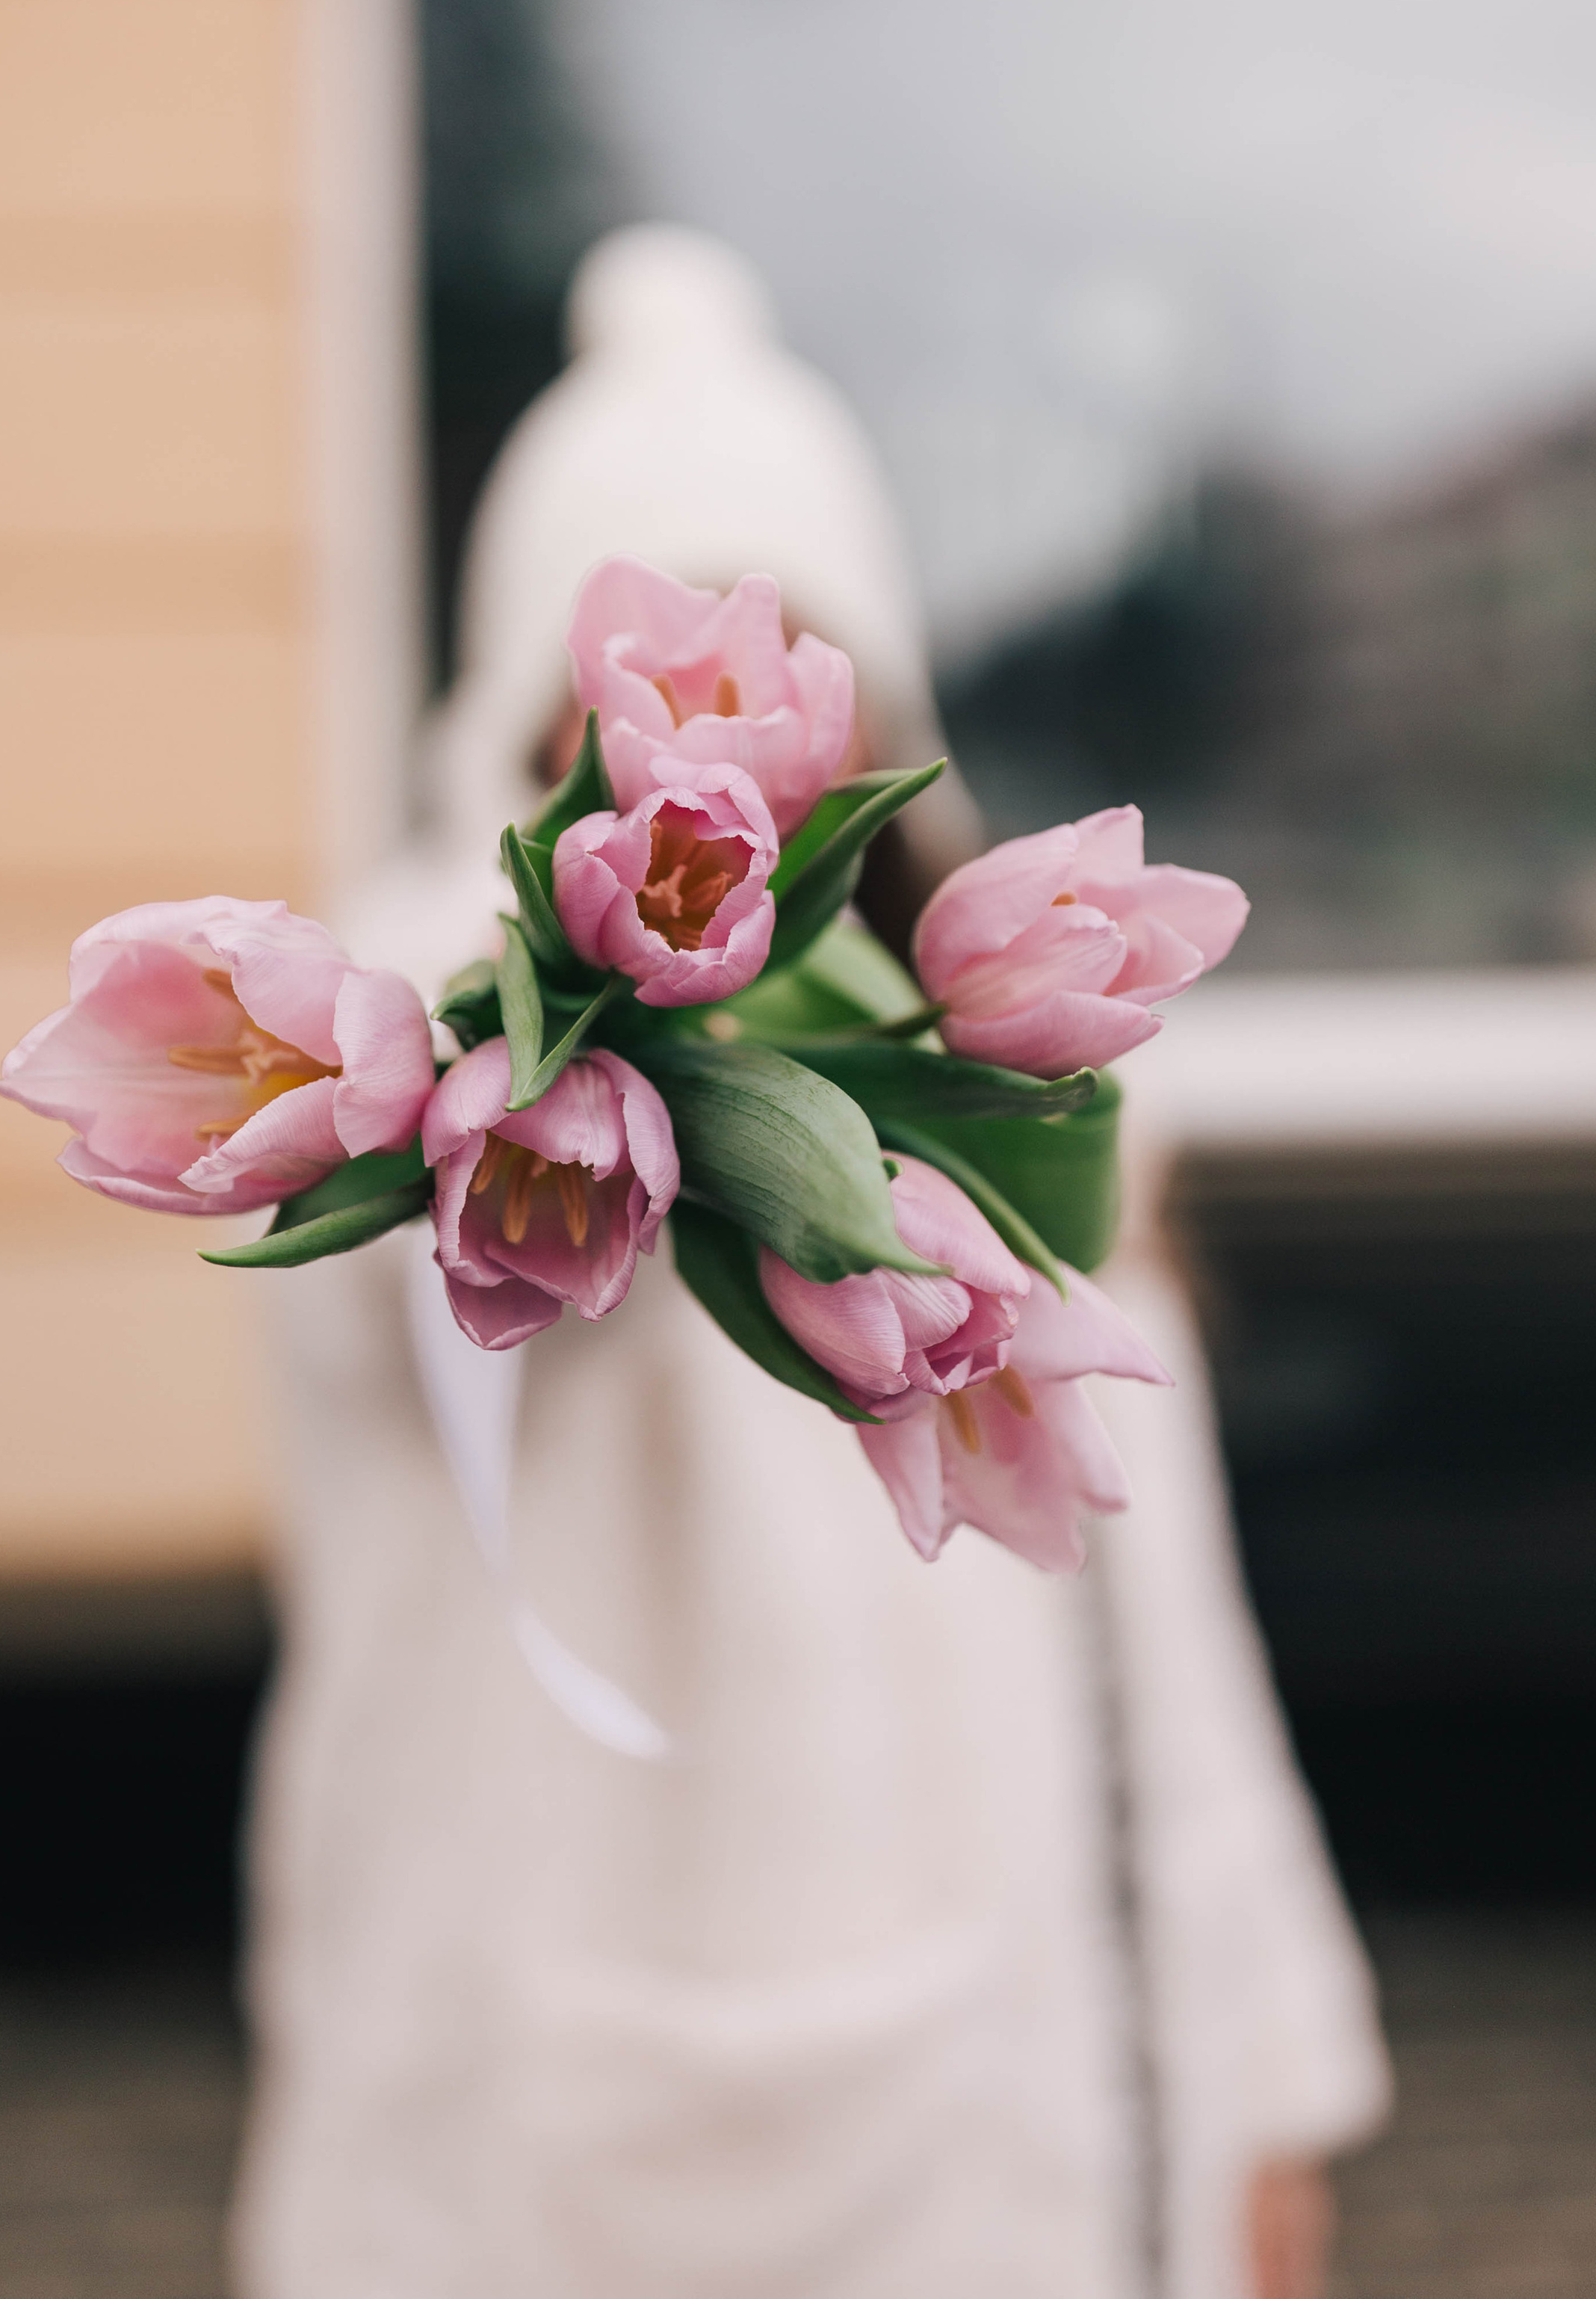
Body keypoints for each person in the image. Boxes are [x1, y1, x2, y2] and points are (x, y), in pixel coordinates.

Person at [232, 228, 1390, 2299]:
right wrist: (587, 1019)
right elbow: (408, 1301)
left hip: (995, 2104)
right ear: (528, 686)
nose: (707, 767)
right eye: (644, 690)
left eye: (778, 677)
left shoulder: (1004, 1067)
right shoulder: (405, 1045)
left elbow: (1161, 1617)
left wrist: (1262, 2076)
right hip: (531, 2124)